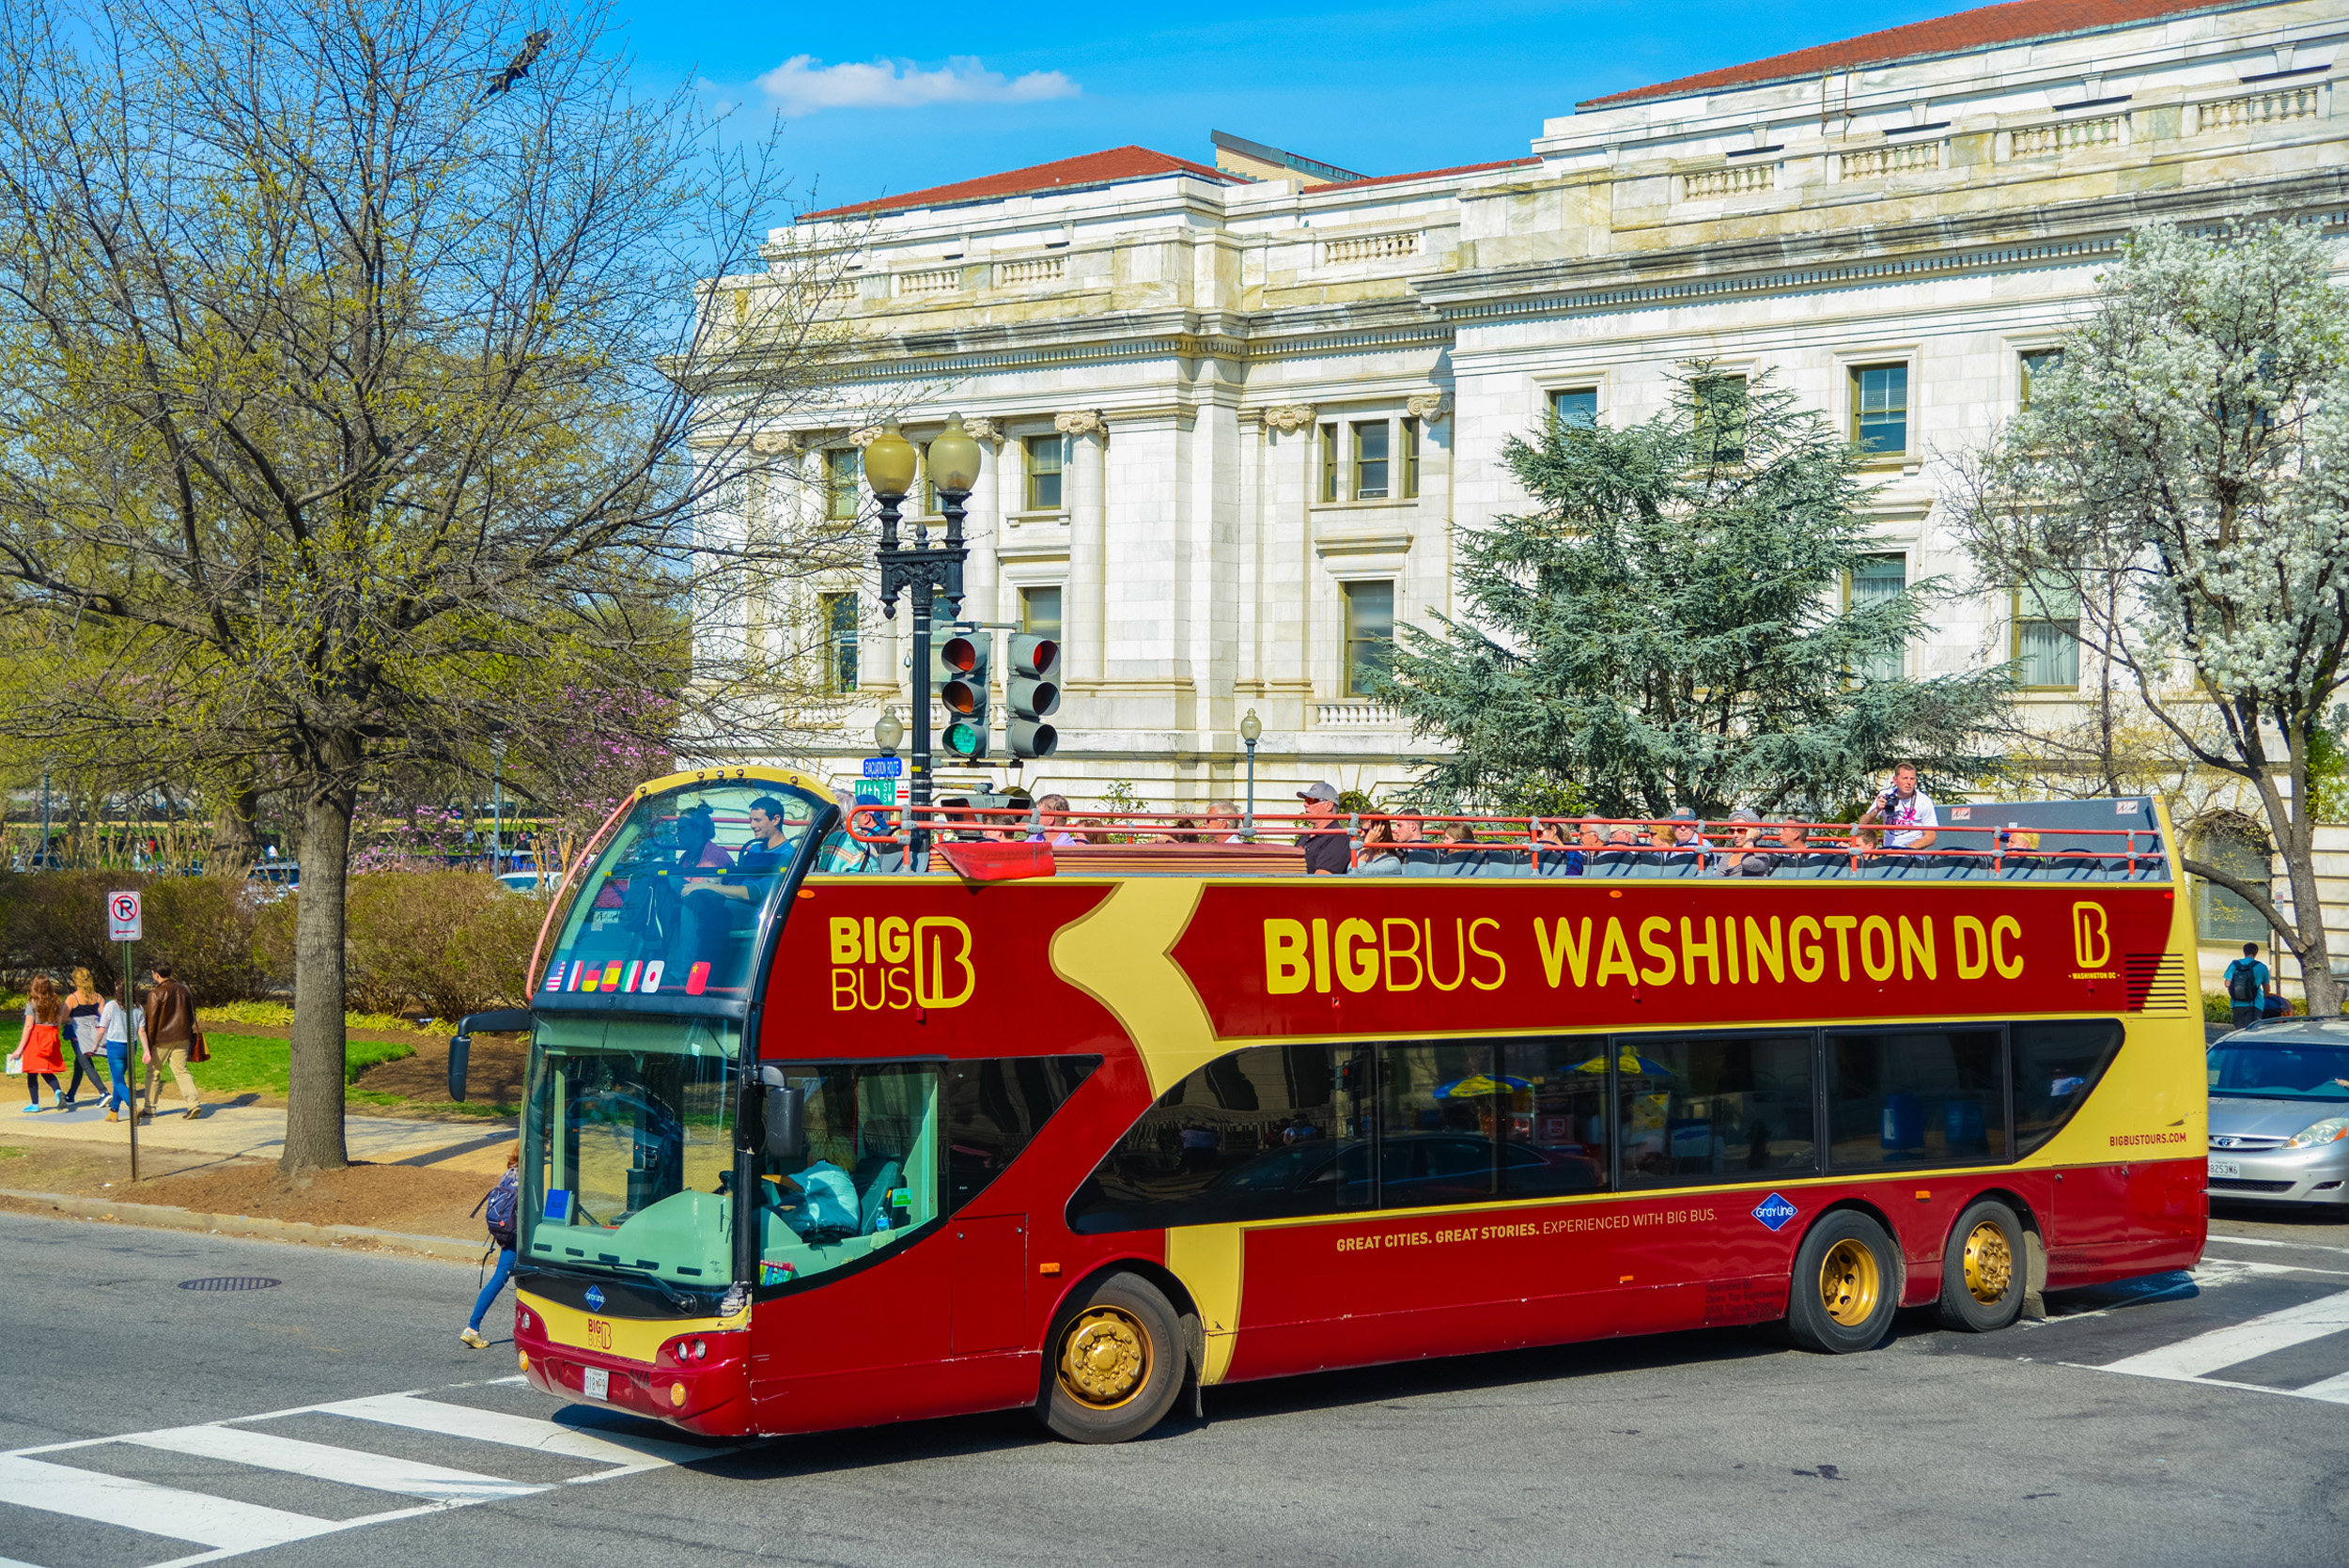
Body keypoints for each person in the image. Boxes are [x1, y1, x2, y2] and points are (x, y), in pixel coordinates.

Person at [681, 796, 795, 963]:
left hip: (757, 913)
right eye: (750, 820)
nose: (752, 825)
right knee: (674, 889)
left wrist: (707, 887)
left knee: (694, 906)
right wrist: (714, 883)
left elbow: (755, 893)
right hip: (733, 904)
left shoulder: (786, 855)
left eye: (757, 820)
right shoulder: (755, 849)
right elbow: (736, 882)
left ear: (775, 819)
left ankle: (682, 973)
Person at [459, 1150, 521, 1349]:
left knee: (498, 1279)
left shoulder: (509, 1173)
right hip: (522, 1237)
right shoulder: (528, 1175)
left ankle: (472, 1328)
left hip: (507, 1234)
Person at [140, 962, 201, 1122]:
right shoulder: (184, 989)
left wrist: (149, 1044)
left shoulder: (155, 993)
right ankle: (193, 1104)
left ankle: (150, 1108)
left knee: (153, 1073)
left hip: (162, 1039)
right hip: (183, 1035)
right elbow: (190, 1013)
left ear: (156, 974)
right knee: (182, 1071)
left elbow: (152, 1022)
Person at [771, 1146, 860, 1238]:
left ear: (819, 1152)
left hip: (826, 1236)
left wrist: (762, 1177)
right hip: (829, 1234)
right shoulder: (838, 1174)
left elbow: (788, 1182)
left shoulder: (827, 1171)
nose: (807, 1154)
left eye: (810, 1150)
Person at [1858, 763, 1938, 853]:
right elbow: (1862, 825)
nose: (1909, 783)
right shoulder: (1885, 795)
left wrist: (1903, 851)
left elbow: (1931, 837)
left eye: (1912, 779)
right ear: (1895, 780)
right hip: (1888, 855)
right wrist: (1877, 810)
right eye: (1904, 778)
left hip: (1912, 856)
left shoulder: (1924, 801)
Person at [61, 967, 110, 1112]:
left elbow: (63, 1017)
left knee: (86, 1063)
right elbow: (104, 1016)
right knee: (80, 1063)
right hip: (94, 1032)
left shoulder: (73, 998)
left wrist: (74, 1019)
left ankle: (104, 1092)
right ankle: (71, 1095)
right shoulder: (98, 997)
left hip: (79, 1034)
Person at [17, 976, 66, 1113]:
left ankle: (35, 1103)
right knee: (46, 1069)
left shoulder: (32, 1003)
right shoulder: (57, 1002)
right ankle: (57, 1091)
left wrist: (20, 1049)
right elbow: (59, 1022)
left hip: (36, 1038)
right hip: (51, 1036)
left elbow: (28, 1027)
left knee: (32, 1072)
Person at [97, 986, 135, 1123]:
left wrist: (95, 1044)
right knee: (118, 1078)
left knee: (118, 1080)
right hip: (132, 1045)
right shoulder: (137, 1007)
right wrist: (147, 1050)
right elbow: (142, 1030)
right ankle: (114, 1111)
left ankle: (133, 1106)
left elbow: (102, 1029)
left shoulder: (111, 1006)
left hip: (115, 1045)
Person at [1296, 783, 1350, 875]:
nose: (1305, 804)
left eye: (1311, 800)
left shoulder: (1338, 837)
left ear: (1328, 805)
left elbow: (1321, 879)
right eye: (1305, 800)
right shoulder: (1306, 835)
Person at [1713, 808, 1779, 877]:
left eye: (1741, 830)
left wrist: (1749, 840)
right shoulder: (1728, 856)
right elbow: (1716, 878)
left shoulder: (1761, 856)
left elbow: (1747, 863)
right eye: (1732, 831)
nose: (1735, 835)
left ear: (1753, 832)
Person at [2224, 942, 2275, 1031]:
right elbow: (2266, 988)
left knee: (2239, 1031)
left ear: (2244, 952)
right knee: (2252, 1031)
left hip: (2237, 1003)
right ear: (2256, 953)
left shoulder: (2234, 965)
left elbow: (2227, 984)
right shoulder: (2262, 967)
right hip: (2255, 1004)